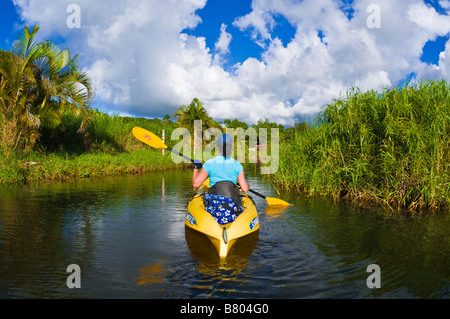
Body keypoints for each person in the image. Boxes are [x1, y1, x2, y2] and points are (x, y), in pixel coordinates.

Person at [192, 133, 250, 225]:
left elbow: (195, 184)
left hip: (214, 205)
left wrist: (196, 168)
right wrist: (248, 186)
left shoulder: (209, 163)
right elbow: (245, 188)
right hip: (232, 204)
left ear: (217, 146)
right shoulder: (237, 165)